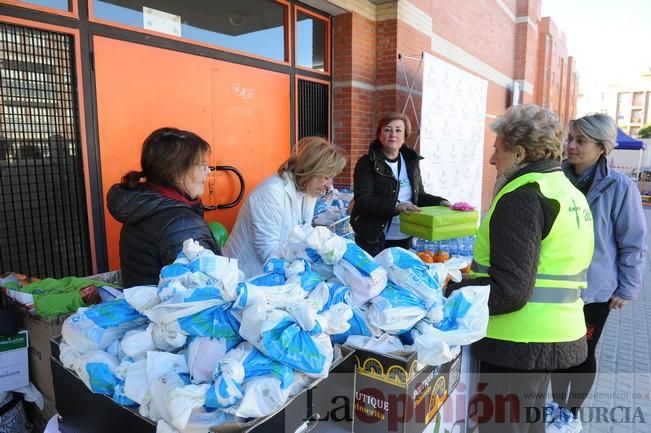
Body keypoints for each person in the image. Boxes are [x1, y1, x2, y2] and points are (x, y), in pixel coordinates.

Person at [448, 104, 594, 433]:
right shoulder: (568, 192)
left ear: (519, 153)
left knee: (503, 426)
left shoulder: (523, 197)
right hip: (550, 334)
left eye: (497, 150)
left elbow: (511, 290)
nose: (491, 160)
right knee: (527, 423)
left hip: (518, 340)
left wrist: (455, 291)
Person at [549, 114, 647, 433]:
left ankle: (570, 411)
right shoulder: (556, 178)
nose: (571, 145)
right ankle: (555, 404)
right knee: (556, 349)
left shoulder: (618, 186)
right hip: (556, 286)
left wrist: (627, 288)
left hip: (594, 290)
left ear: (602, 148)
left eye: (580, 140)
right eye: (570, 138)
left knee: (582, 352)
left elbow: (633, 241)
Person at [107, 127, 219, 287]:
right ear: (177, 173)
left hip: (145, 306)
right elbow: (203, 292)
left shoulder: (144, 202)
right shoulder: (182, 224)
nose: (208, 171)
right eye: (202, 165)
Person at [223, 136, 347, 277]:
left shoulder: (308, 192)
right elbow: (267, 250)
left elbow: (302, 232)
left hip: (274, 274)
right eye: (326, 177)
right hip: (246, 274)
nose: (330, 184)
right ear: (310, 171)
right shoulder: (271, 192)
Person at [351, 112, 448, 256]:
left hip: (404, 235)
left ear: (405, 136)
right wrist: (396, 206)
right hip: (374, 238)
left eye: (398, 130)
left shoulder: (410, 162)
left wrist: (441, 202)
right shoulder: (367, 163)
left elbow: (419, 197)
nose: (393, 134)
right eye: (387, 129)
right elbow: (363, 200)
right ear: (379, 134)